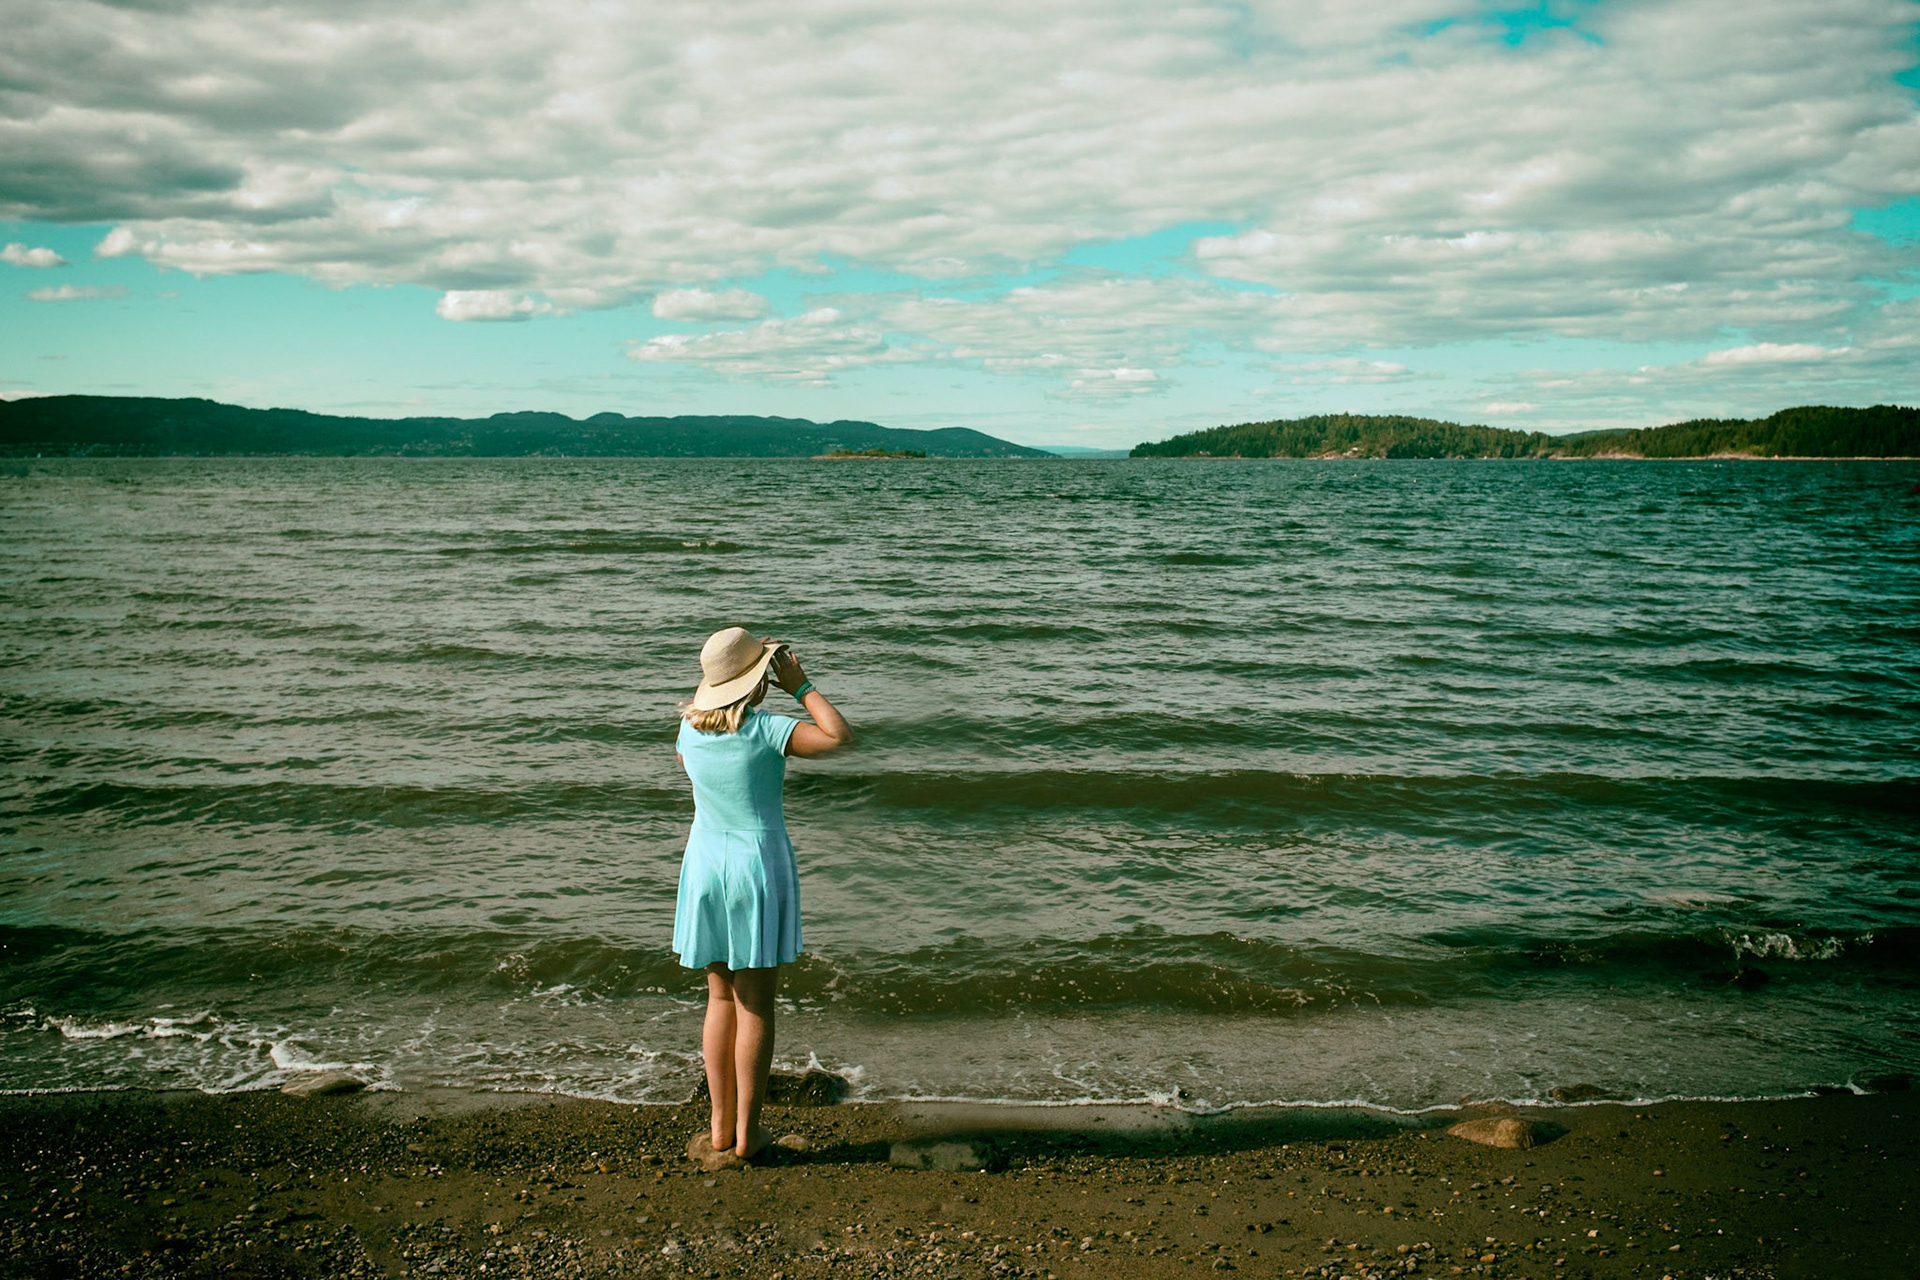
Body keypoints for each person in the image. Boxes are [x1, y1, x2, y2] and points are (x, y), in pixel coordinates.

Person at [673, 626, 851, 1167]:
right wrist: (801, 686)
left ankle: (720, 1128)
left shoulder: (687, 732)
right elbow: (841, 737)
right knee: (756, 1003)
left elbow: (696, 777)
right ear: (758, 680)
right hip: (755, 865)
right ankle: (750, 1135)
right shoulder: (769, 730)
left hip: (704, 862)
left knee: (719, 997)